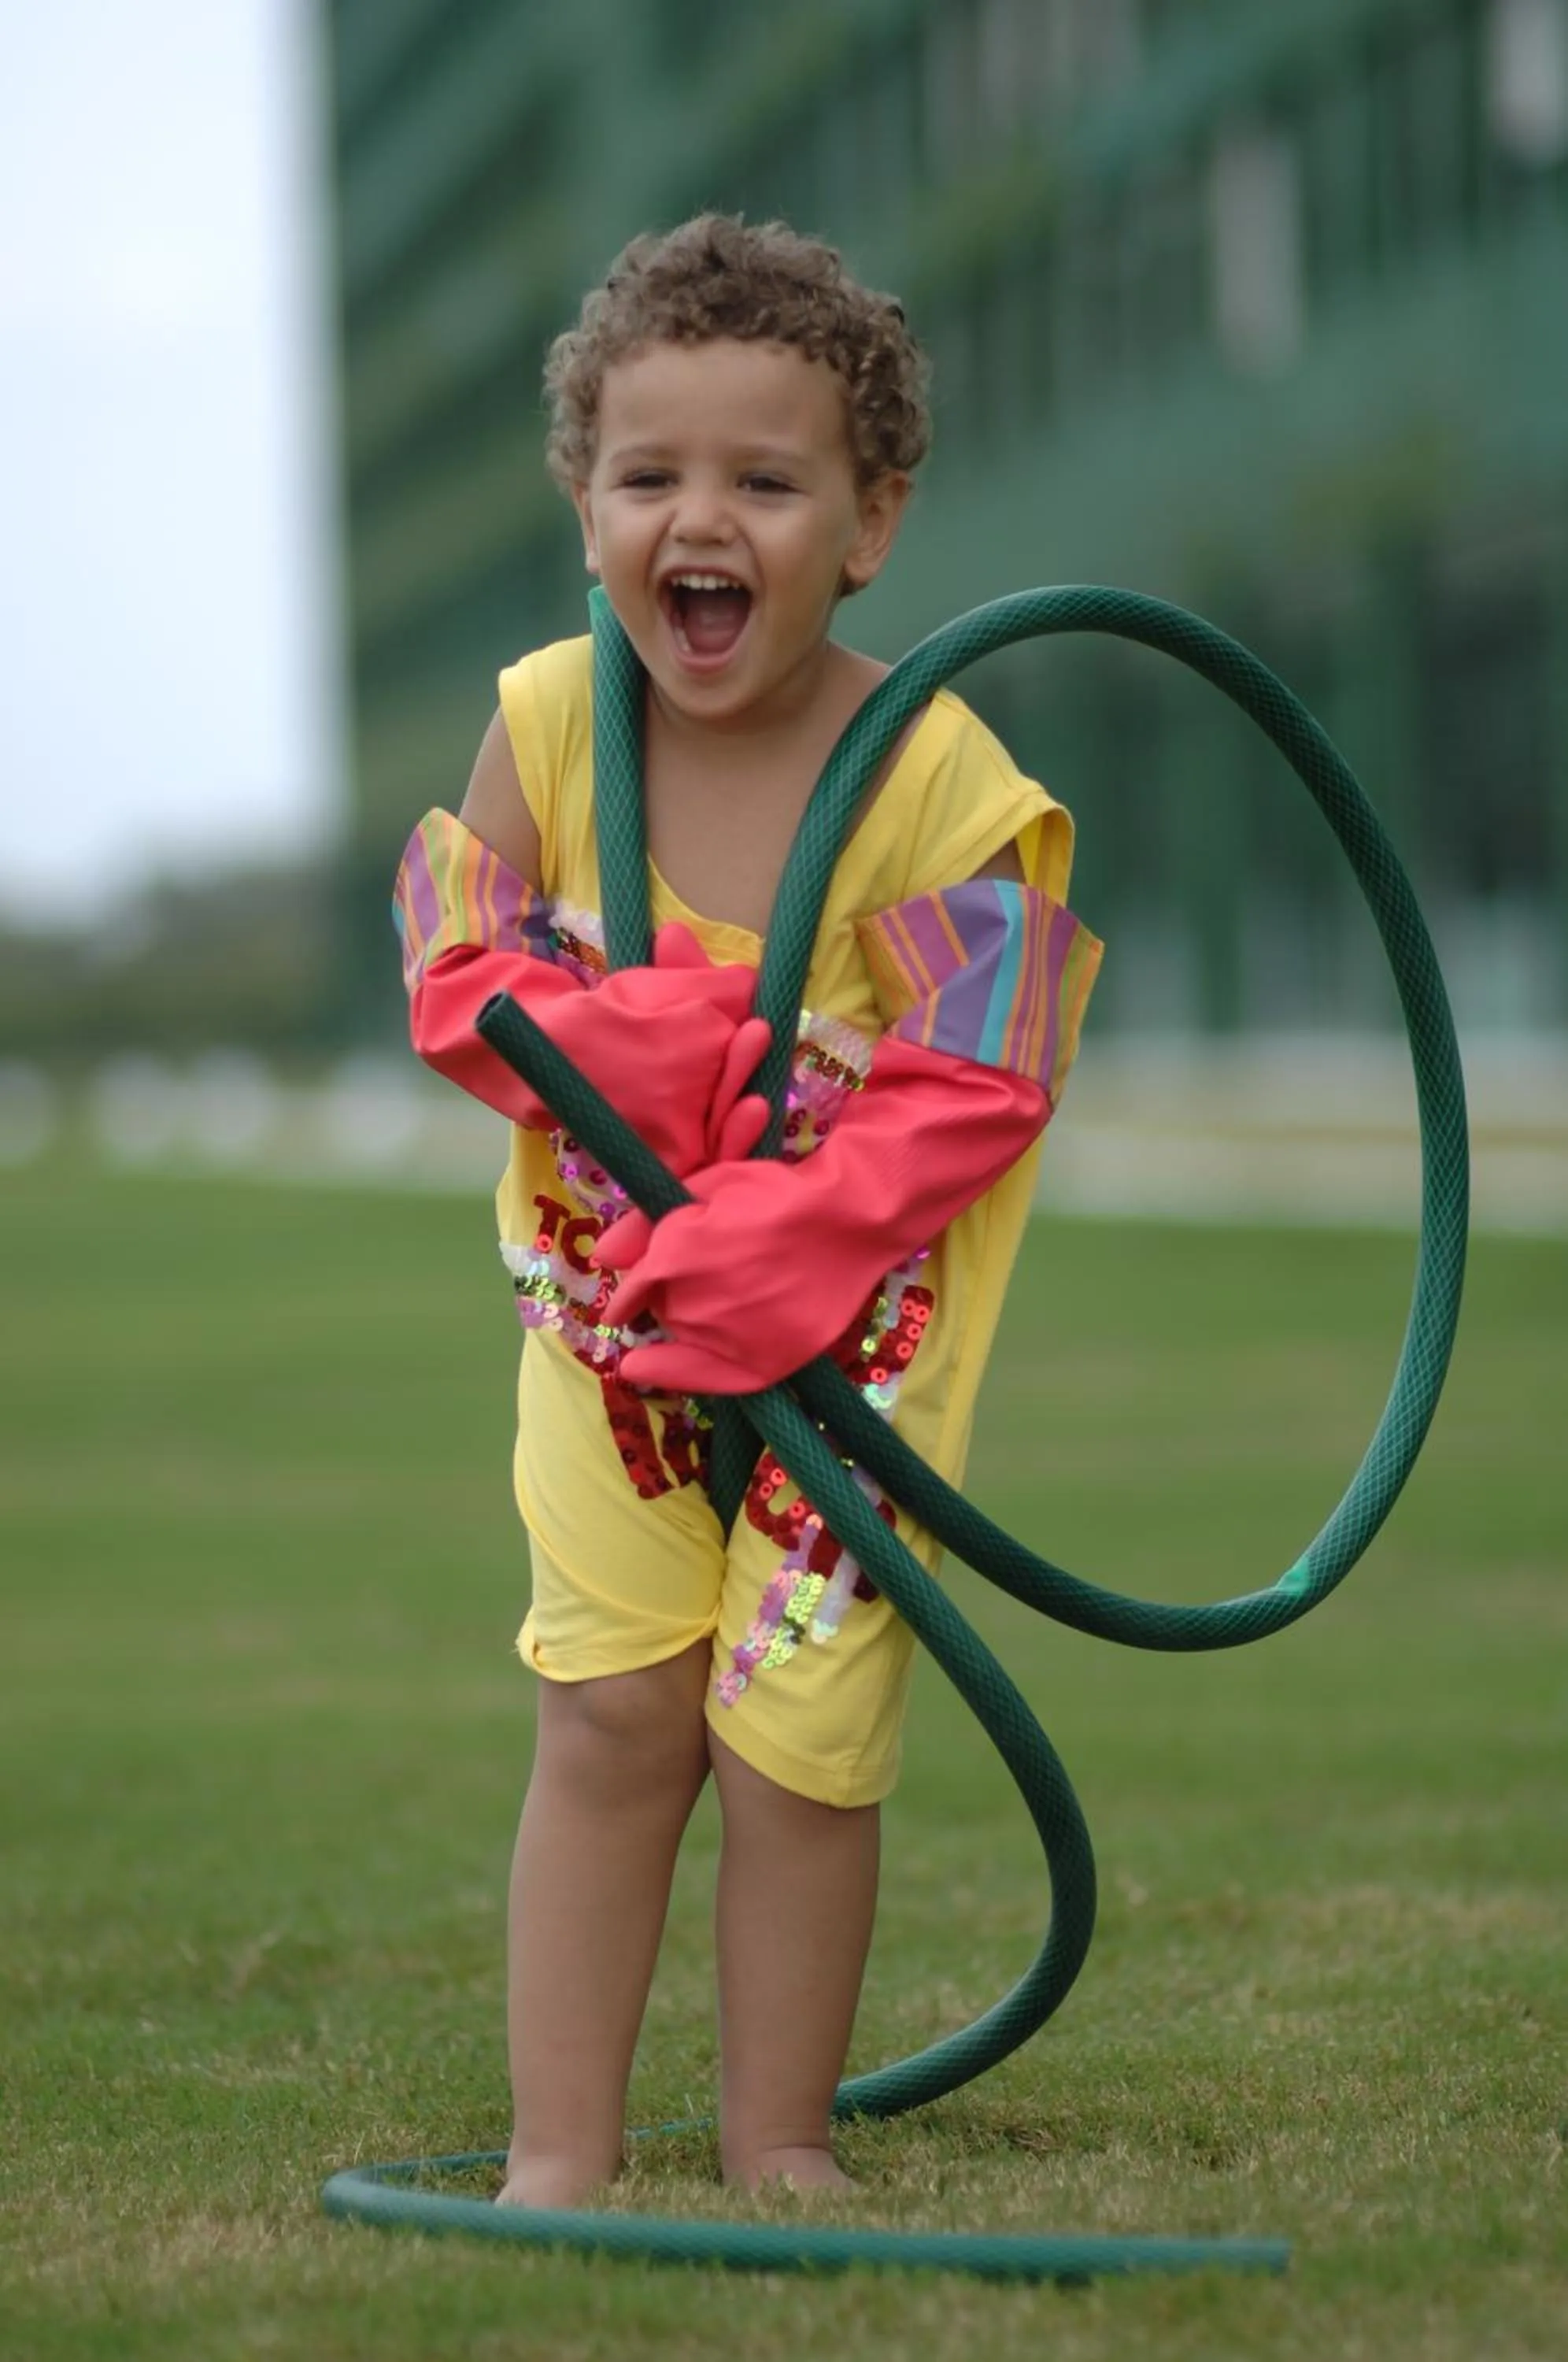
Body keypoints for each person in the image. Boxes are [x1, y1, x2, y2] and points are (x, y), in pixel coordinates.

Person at [392, 214, 1102, 2207]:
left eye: (766, 483)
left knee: (794, 1741)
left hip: (847, 1358)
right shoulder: (548, 719)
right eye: (650, 479)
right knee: (617, 1715)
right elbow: (457, 965)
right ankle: (561, 2157)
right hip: (614, 1333)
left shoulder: (937, 766)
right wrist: (654, 1059)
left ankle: (781, 2139)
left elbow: (995, 1057)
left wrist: (797, 1215)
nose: (701, 520)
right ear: (586, 508)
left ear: (869, 522)